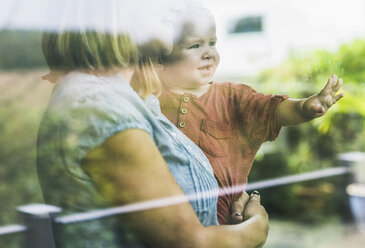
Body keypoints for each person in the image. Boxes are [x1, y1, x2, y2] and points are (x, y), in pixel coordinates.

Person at [36, 1, 269, 247]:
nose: (175, 6)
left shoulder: (129, 99)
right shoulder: (100, 105)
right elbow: (190, 243)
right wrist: (255, 227)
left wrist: (230, 197)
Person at [158, 1, 344, 224]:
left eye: (212, 43)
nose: (208, 53)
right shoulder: (151, 97)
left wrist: (305, 106)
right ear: (163, 56)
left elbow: (271, 110)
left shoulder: (233, 98)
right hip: (164, 221)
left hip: (221, 223)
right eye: (194, 46)